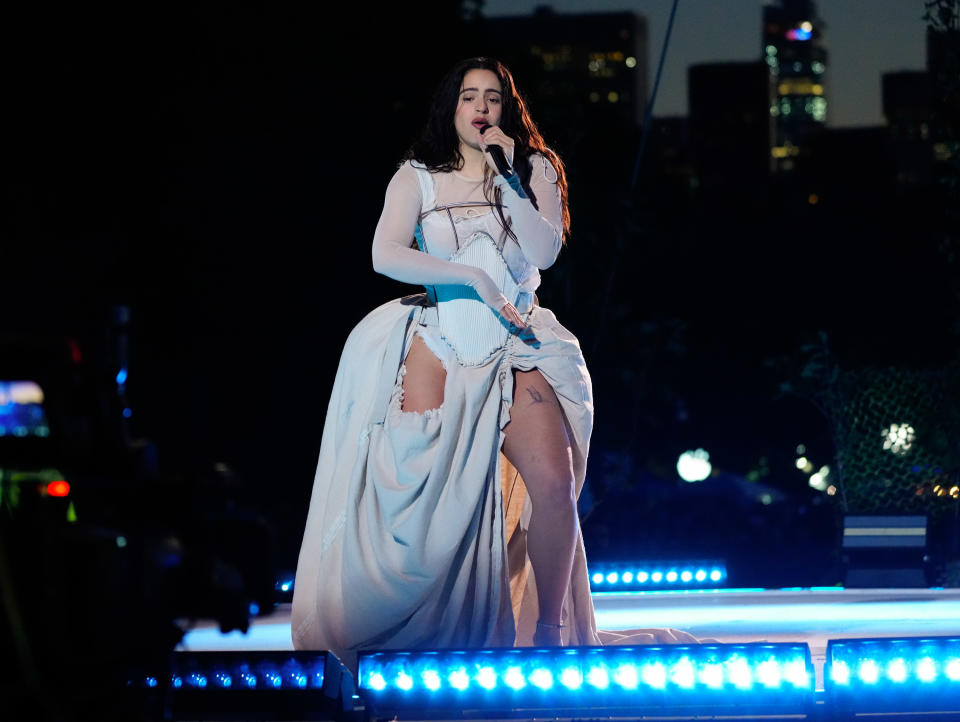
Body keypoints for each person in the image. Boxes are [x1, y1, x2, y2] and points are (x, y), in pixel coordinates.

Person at [291, 58, 691, 670]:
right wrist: (470, 277)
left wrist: (508, 178)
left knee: (554, 488)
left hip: (518, 342)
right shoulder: (417, 176)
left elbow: (544, 251)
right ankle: (417, 626)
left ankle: (549, 633)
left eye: (493, 98)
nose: (480, 108)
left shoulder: (533, 168)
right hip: (444, 338)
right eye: (468, 97)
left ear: (508, 109)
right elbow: (384, 254)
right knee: (421, 496)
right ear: (450, 107)